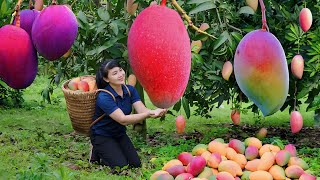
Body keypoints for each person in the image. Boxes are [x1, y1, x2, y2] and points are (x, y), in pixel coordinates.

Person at [89, 59, 167, 168]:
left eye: (120, 70)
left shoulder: (129, 90)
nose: (120, 75)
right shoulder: (104, 96)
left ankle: (108, 150)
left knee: (135, 164)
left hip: (119, 134)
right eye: (115, 73)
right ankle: (97, 150)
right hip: (102, 135)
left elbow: (142, 111)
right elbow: (123, 119)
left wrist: (156, 112)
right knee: (121, 166)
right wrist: (149, 114)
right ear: (106, 79)